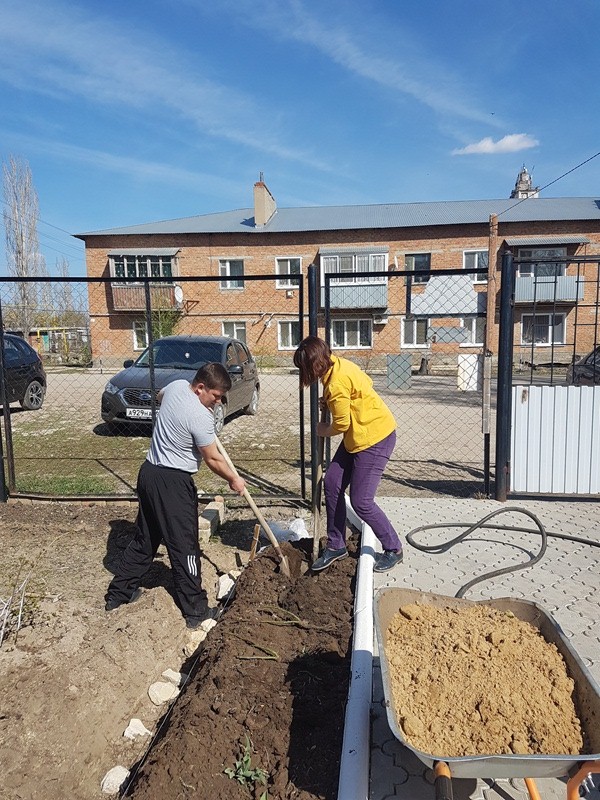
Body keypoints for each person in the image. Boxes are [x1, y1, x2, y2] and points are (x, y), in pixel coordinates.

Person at [104, 362, 246, 628]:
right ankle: (196, 612)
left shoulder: (177, 386)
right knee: (185, 548)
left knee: (146, 539)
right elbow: (213, 459)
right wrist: (234, 479)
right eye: (215, 396)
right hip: (173, 483)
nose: (217, 402)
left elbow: (160, 397)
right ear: (200, 387)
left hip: (149, 474)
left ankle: (118, 595)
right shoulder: (200, 417)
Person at [293, 336, 403, 573]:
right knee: (332, 482)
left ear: (314, 366)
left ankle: (394, 548)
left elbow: (341, 424)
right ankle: (336, 545)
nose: (303, 373)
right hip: (359, 435)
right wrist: (331, 402)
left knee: (361, 501)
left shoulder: (336, 383)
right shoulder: (338, 365)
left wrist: (322, 429)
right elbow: (363, 384)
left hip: (374, 439)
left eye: (304, 368)